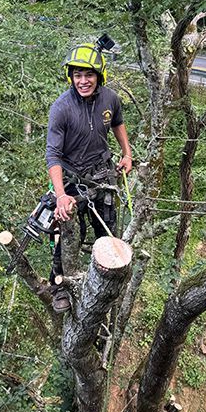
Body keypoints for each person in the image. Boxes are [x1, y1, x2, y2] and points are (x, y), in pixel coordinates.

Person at [45, 42, 132, 312]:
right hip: (70, 180)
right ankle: (60, 287)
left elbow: (117, 122)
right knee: (67, 233)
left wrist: (127, 153)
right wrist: (60, 196)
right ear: (70, 77)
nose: (83, 81)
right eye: (77, 75)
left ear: (99, 76)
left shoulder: (110, 99)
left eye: (89, 75)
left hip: (102, 174)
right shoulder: (62, 108)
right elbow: (53, 156)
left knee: (107, 230)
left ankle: (105, 284)